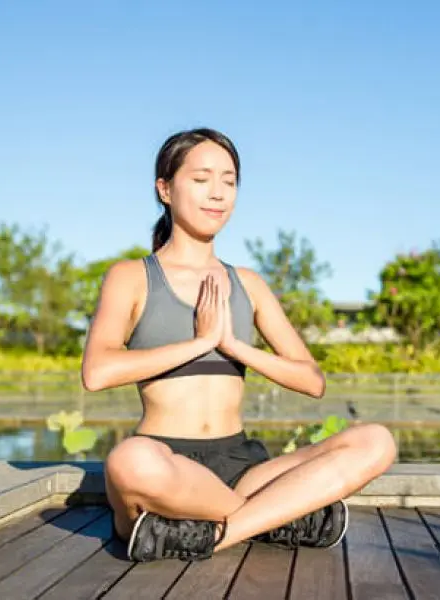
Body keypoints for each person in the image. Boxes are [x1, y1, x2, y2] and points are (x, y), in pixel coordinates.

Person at [80, 127, 397, 562]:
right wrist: (200, 342)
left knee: (375, 441)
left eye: (229, 181)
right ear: (165, 189)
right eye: (202, 179)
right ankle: (279, 517)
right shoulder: (131, 277)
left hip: (244, 467)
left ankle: (215, 534)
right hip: (169, 465)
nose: (218, 193)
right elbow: (98, 372)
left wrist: (233, 345)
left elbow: (312, 380)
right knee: (129, 461)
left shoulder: (248, 283)